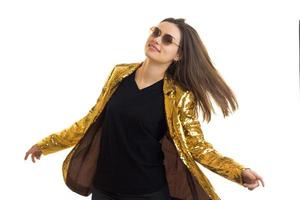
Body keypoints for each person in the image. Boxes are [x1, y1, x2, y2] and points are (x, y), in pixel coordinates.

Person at [24, 17, 264, 200]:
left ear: (178, 54)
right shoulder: (120, 74)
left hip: (146, 193)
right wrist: (46, 144)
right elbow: (91, 120)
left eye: (167, 39)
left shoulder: (179, 96)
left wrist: (238, 172)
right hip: (104, 189)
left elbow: (198, 148)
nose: (157, 40)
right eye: (156, 32)